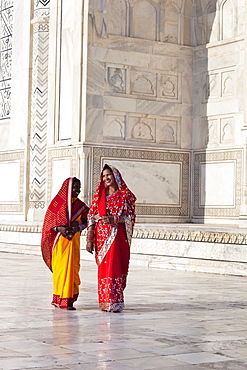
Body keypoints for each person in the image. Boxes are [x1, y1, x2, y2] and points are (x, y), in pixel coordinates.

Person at [86, 164, 136, 312]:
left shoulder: (124, 196)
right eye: (103, 176)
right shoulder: (99, 195)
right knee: (104, 269)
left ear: (116, 177)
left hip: (116, 237)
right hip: (101, 238)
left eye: (109, 175)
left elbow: (130, 217)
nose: (106, 178)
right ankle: (105, 301)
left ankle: (115, 301)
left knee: (114, 266)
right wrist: (89, 239)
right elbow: (91, 217)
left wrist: (115, 219)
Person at [41, 177, 89, 310]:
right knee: (61, 270)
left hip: (73, 243)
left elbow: (87, 221)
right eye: (74, 188)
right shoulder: (57, 204)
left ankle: (68, 300)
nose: (77, 191)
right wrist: (59, 228)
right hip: (60, 244)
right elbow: (48, 224)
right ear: (67, 188)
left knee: (72, 270)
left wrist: (77, 227)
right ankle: (59, 299)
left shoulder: (81, 206)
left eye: (79, 188)